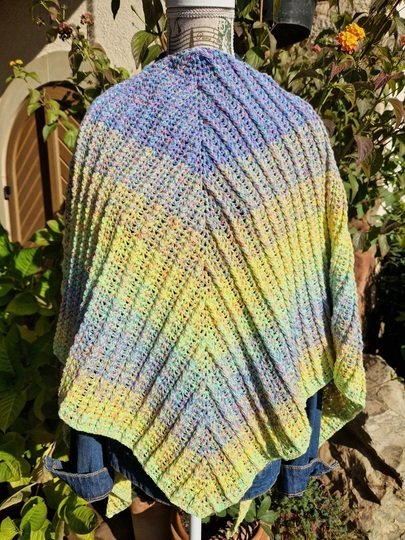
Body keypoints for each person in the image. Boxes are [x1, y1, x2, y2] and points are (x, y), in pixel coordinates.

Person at [44, 1, 366, 539]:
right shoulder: (293, 126)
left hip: (231, 401)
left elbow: (314, 281)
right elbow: (91, 283)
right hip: (145, 392)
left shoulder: (110, 119)